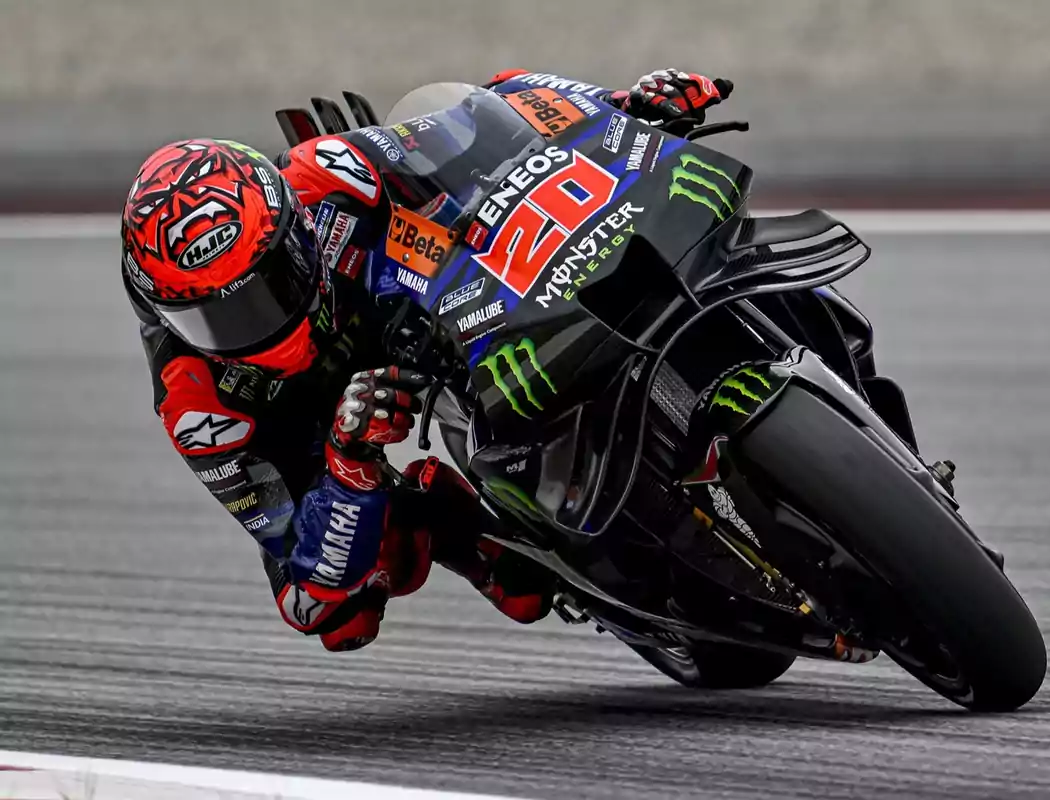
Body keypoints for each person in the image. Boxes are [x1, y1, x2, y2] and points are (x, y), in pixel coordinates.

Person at [120, 69, 732, 652]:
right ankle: (468, 536)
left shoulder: (326, 176)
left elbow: (495, 110)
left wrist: (625, 107)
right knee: (336, 616)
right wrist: (348, 460)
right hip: (324, 430)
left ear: (297, 231)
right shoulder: (195, 402)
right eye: (218, 319)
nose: (258, 325)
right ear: (163, 313)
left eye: (270, 285)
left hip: (426, 311)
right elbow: (304, 579)